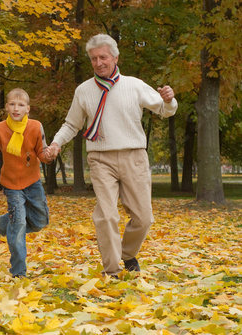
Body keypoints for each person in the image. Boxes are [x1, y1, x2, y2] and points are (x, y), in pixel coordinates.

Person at [45, 34, 178, 278]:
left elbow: (164, 109)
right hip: (100, 159)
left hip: (134, 156)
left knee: (144, 218)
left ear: (115, 57)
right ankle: (112, 270)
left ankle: (127, 254)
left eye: (103, 57)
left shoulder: (134, 85)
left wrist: (169, 101)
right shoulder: (83, 90)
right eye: (94, 58)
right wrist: (55, 144)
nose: (98, 63)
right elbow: (71, 124)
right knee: (106, 215)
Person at [0, 88, 52, 278]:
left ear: (28, 109)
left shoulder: (35, 126)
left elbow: (42, 152)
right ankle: (19, 272)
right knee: (18, 225)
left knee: (41, 221)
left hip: (33, 182)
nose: (16, 108)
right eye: (12, 104)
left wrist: (48, 156)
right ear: (6, 107)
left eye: (21, 105)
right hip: (12, 185)